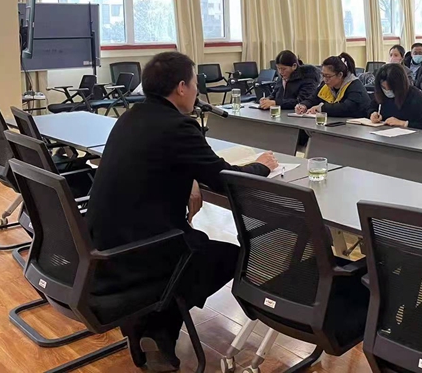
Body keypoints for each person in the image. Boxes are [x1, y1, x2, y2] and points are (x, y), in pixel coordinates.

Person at [86, 51, 279, 370]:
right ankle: (155, 327)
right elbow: (224, 179)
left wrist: (190, 177)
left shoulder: (130, 117)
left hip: (103, 245)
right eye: (194, 84)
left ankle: (150, 329)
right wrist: (262, 166)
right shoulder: (177, 126)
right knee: (231, 256)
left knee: (198, 248)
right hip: (145, 250)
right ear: (180, 87)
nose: (197, 91)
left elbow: (159, 161)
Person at [296, 52, 370, 118]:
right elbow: (312, 99)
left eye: (328, 76)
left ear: (340, 75)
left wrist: (322, 108)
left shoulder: (355, 86)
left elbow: (346, 108)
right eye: (323, 75)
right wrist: (303, 105)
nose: (325, 79)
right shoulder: (326, 85)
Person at [368, 64, 422, 129]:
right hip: (383, 132)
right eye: (384, 87)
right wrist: (373, 114)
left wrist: (404, 123)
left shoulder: (414, 95)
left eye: (391, 88)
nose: (387, 91)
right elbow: (370, 108)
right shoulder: (381, 93)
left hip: (409, 134)